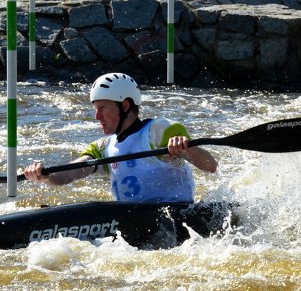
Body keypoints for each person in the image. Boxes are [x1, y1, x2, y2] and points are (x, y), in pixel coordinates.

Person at [22, 72, 217, 203]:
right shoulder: (103, 146)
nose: (97, 116)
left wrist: (186, 148)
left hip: (175, 215)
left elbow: (210, 165)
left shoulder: (159, 131)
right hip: (132, 221)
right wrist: (45, 175)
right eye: (95, 108)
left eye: (102, 108)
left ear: (124, 106)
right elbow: (69, 174)